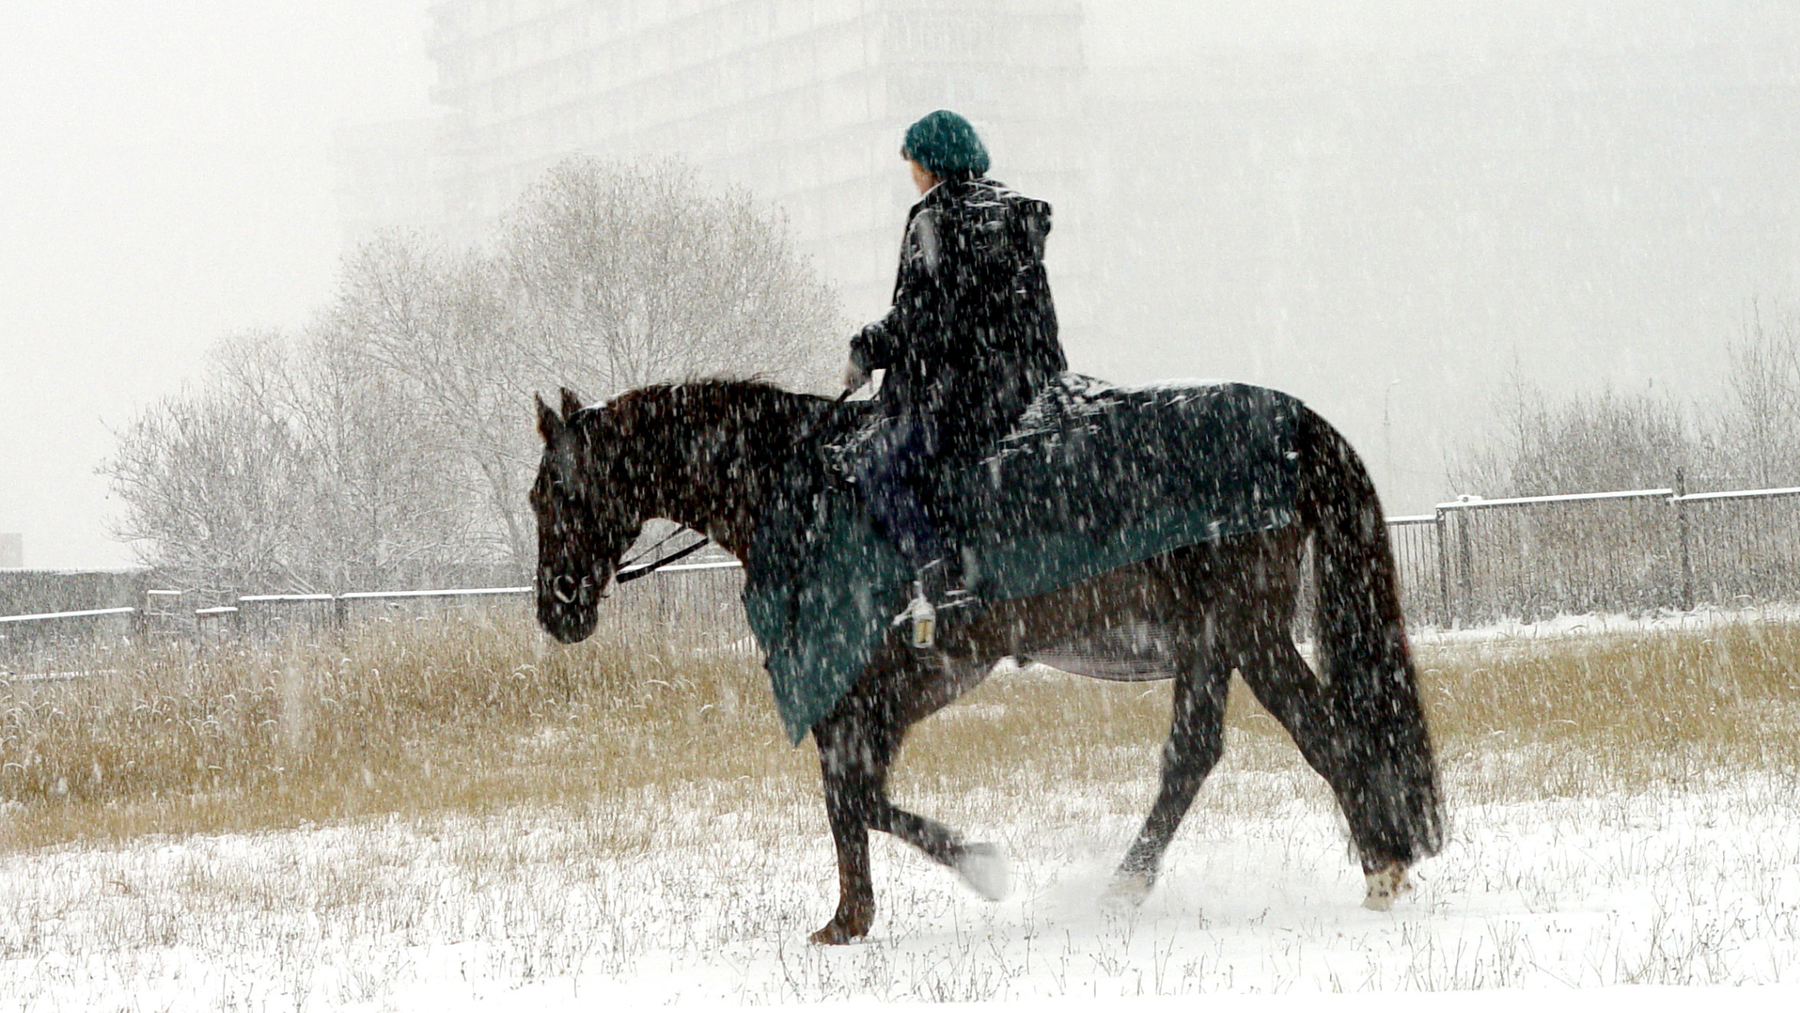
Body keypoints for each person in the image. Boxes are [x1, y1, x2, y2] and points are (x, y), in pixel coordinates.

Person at [844, 109, 1067, 645]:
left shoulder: (936, 218)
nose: (914, 176)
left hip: (963, 395)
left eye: (915, 164)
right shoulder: (1012, 213)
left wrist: (866, 349)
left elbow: (927, 315)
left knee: (878, 464)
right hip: (1024, 386)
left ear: (933, 163)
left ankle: (937, 576)